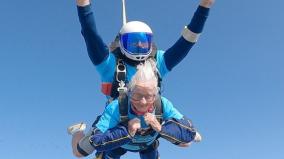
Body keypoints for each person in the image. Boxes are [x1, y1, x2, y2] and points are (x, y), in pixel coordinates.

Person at [76, 0, 215, 101]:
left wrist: (205, 5)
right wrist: (83, 3)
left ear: (150, 43)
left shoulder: (157, 62)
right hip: (115, 128)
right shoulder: (108, 64)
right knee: (82, 143)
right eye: (133, 43)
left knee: (185, 140)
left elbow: (188, 40)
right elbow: (90, 33)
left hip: (148, 129)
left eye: (143, 43)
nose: (139, 46)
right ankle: (77, 131)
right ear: (122, 42)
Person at [69, 60, 202, 159]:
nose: (143, 102)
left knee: (186, 143)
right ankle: (79, 129)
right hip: (118, 143)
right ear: (129, 93)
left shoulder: (162, 104)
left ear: (155, 95)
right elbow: (96, 139)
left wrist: (160, 127)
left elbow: (188, 132)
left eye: (149, 97)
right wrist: (127, 130)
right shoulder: (117, 106)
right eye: (137, 96)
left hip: (147, 143)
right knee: (79, 152)